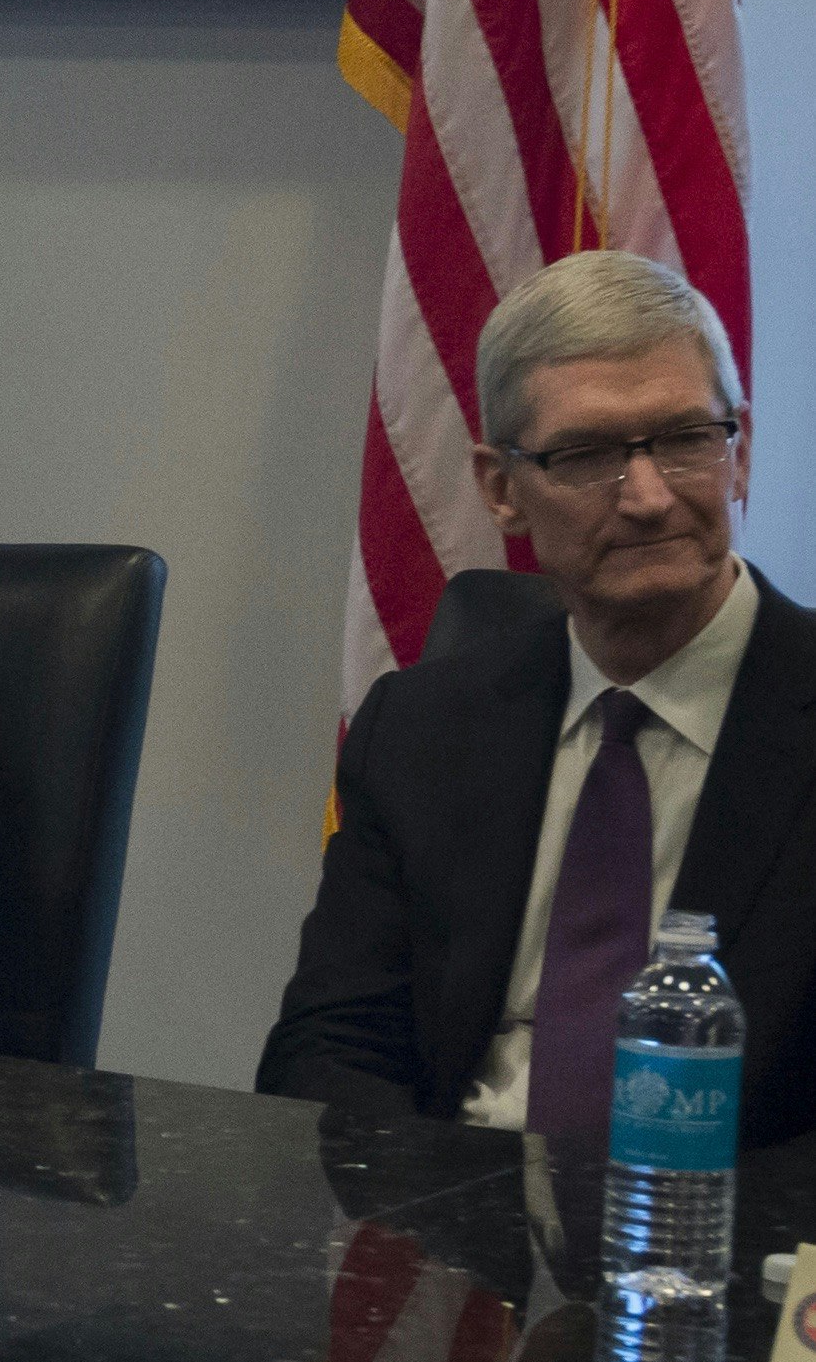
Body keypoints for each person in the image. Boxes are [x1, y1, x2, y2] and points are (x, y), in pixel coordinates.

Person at [263, 249, 815, 1151]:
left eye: (684, 440)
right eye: (589, 455)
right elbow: (332, 1048)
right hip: (457, 1241)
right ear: (500, 489)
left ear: (739, 452)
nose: (646, 497)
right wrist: (439, 1238)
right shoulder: (420, 731)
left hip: (721, 1253)